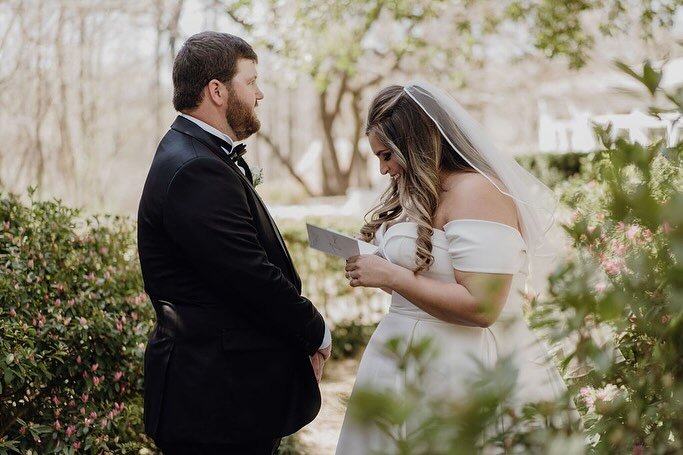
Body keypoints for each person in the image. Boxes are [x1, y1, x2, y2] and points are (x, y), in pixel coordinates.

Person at [336, 81, 572, 453]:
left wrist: (394, 276)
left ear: (414, 145)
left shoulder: (477, 192)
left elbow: (483, 307)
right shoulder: (418, 192)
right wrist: (377, 270)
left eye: (386, 155)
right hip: (402, 362)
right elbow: (429, 278)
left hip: (464, 367)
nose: (383, 170)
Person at [137, 31, 331, 455]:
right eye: (252, 81)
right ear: (217, 90)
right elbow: (247, 275)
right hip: (215, 402)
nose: (260, 94)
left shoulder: (194, 153)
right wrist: (315, 329)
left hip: (223, 395)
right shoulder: (194, 168)